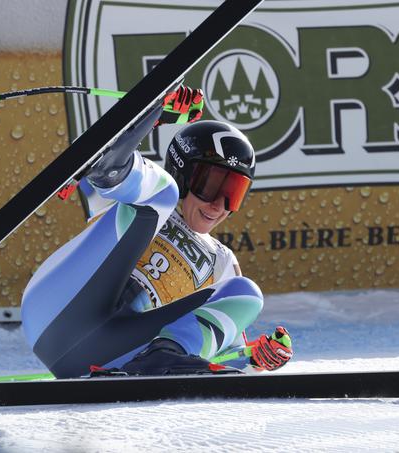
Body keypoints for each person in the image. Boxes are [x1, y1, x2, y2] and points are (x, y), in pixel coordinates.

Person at [21, 86, 292, 378]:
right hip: (56, 313)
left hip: (112, 353)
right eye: (211, 186)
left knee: (247, 293)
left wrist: (253, 357)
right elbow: (93, 156)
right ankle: (106, 164)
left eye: (232, 194)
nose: (218, 205)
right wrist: (153, 112)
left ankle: (162, 357)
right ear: (183, 173)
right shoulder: (141, 195)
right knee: (161, 194)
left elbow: (216, 352)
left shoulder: (222, 262)